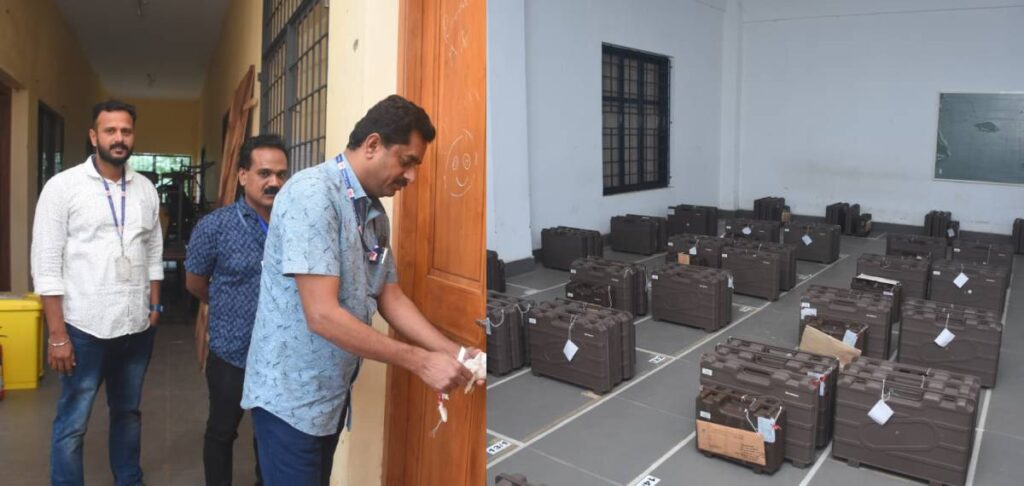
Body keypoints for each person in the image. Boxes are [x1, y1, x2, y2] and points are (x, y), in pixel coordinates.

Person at [240, 95, 483, 485]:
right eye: (406, 162)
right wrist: (421, 362)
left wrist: (453, 352)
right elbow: (322, 315)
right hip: (290, 400)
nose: (411, 177)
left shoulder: (372, 213)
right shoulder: (313, 194)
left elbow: (390, 295)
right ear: (372, 145)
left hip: (329, 396)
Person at [32, 100, 163, 486]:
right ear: (94, 136)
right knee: (73, 422)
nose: (119, 138)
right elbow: (46, 265)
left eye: (126, 131)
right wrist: (57, 336)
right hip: (83, 329)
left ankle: (129, 479)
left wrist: (155, 303)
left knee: (128, 413)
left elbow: (153, 249)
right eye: (110, 131)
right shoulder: (62, 188)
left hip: (135, 328)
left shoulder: (145, 189)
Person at [185, 134, 289, 486]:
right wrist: (228, 304)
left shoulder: (295, 224)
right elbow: (195, 283)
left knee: (271, 433)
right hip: (231, 351)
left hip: (281, 353)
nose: (274, 182)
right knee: (222, 430)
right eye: (264, 173)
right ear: (243, 175)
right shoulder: (215, 226)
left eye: (281, 174)